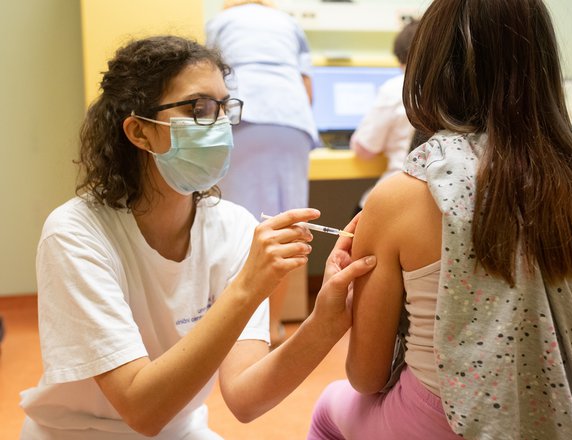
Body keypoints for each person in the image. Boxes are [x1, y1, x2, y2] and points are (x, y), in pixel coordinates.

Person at [19, 35, 375, 440]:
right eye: (199, 108)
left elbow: (246, 397)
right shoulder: (76, 234)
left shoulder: (234, 228)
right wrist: (246, 288)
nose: (220, 124)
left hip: (180, 430)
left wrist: (326, 321)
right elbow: (141, 409)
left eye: (224, 107)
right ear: (139, 132)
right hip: (76, 434)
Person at [308, 1, 572, 439]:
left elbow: (366, 376)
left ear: (427, 68)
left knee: (328, 407)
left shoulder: (398, 198)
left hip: (451, 420)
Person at [205, 0, 319, 345]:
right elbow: (307, 87)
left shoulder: (222, 21)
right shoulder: (287, 22)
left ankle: (233, 330)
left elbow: (208, 78)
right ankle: (272, 328)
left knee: (235, 226)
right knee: (285, 228)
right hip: (292, 121)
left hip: (242, 116)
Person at [349, 20, 418, 212]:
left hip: (400, 193)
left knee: (362, 210)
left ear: (400, 58)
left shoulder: (397, 87)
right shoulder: (456, 88)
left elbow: (365, 149)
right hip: (439, 200)